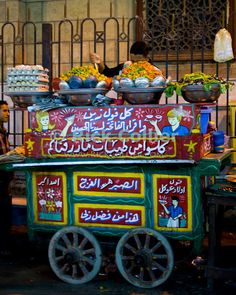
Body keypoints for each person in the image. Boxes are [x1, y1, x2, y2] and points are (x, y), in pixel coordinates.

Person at [0, 100, 12, 256]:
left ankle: (4, 245)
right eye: (4, 110)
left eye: (8, 110)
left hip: (4, 179)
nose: (8, 113)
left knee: (4, 213)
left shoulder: (3, 131)